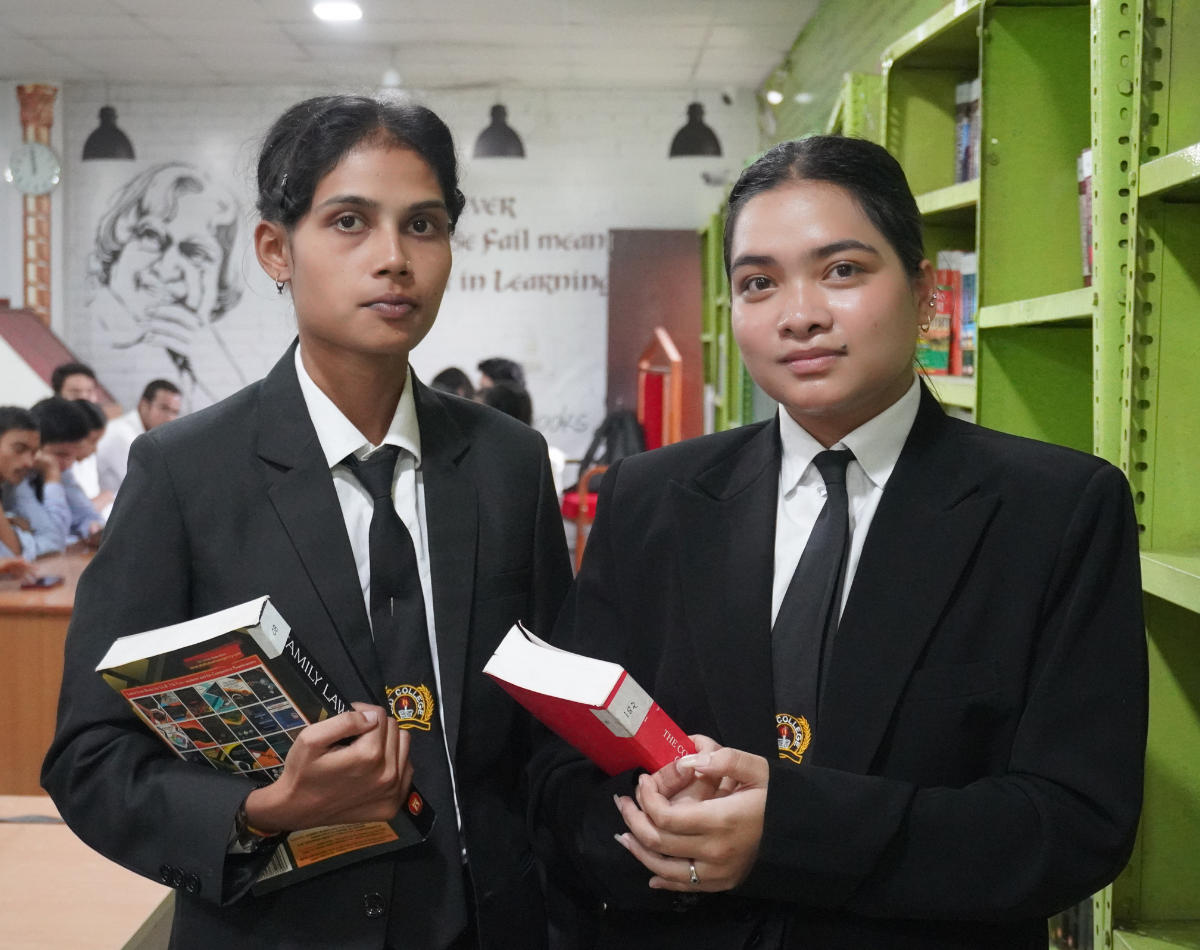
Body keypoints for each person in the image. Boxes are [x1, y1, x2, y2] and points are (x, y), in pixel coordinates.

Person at [529, 136, 1147, 949]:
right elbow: (562, 769)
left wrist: (786, 832)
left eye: (843, 270)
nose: (800, 314)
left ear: (926, 291)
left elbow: (1074, 822)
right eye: (759, 283)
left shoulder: (1055, 511)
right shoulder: (653, 499)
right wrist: (655, 838)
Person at [43, 94, 572, 950]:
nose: (393, 259)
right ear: (274, 249)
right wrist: (260, 811)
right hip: (283, 929)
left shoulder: (508, 464)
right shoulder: (184, 472)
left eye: (424, 225)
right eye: (350, 222)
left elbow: (551, 723)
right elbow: (90, 760)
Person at [87, 162, 245, 409]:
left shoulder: (205, 366)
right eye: (152, 236)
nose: (166, 269)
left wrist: (213, 366)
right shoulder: (96, 335)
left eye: (195, 253)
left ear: (219, 284)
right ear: (120, 244)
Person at [30, 397, 104, 544]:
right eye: (60, 454)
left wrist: (92, 527)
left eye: (72, 455)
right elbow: (54, 536)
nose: (67, 463)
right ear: (34, 446)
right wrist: (52, 477)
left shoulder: (63, 473)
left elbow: (87, 514)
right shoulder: (20, 480)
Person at [0, 406, 68, 559]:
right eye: (19, 449)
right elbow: (10, 555)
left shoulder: (14, 484)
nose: (29, 462)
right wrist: (14, 527)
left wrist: (9, 528)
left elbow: (54, 541)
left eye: (33, 453)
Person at [94, 379, 181, 494]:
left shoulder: (147, 437)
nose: (170, 418)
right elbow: (150, 487)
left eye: (175, 412)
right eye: (164, 408)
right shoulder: (123, 436)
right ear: (144, 405)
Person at [71, 399, 114, 517]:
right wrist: (104, 498)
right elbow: (75, 515)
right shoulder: (62, 467)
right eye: (92, 441)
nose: (95, 450)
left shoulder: (88, 459)